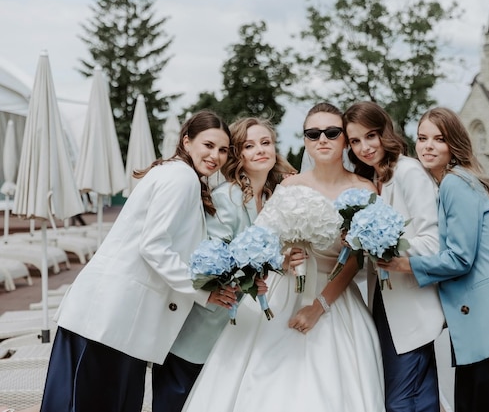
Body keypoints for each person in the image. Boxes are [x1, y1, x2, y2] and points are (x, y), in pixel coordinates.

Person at [182, 103, 385, 412]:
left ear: (345, 138)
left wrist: (319, 307)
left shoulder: (364, 188)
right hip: (282, 293)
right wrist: (283, 256)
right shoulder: (289, 185)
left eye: (332, 132)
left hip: (334, 298)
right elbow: (260, 243)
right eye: (313, 134)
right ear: (305, 140)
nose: (323, 140)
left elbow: (356, 260)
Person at [40, 110, 237, 412]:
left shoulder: (173, 172)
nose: (215, 156)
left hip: (104, 316)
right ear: (187, 141)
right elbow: (154, 245)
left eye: (223, 150)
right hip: (114, 319)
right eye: (208, 145)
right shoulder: (181, 178)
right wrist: (202, 292)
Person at [377, 107, 489, 412]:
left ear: (454, 143)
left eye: (438, 139)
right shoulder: (452, 183)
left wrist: (407, 264)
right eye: (422, 138)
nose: (428, 146)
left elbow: (460, 258)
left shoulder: (456, 183)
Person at [153, 117, 292, 411]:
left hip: (243, 330)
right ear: (238, 155)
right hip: (201, 328)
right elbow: (208, 263)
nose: (259, 151)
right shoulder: (226, 198)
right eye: (249, 146)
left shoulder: (272, 198)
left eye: (265, 143)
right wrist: (249, 277)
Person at [343, 101, 445, 412]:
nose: (364, 147)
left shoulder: (408, 171)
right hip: (384, 306)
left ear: (384, 132)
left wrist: (389, 251)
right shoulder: (371, 181)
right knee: (416, 399)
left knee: (401, 403)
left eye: (370, 136)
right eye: (355, 141)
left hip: (412, 308)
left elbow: (433, 242)